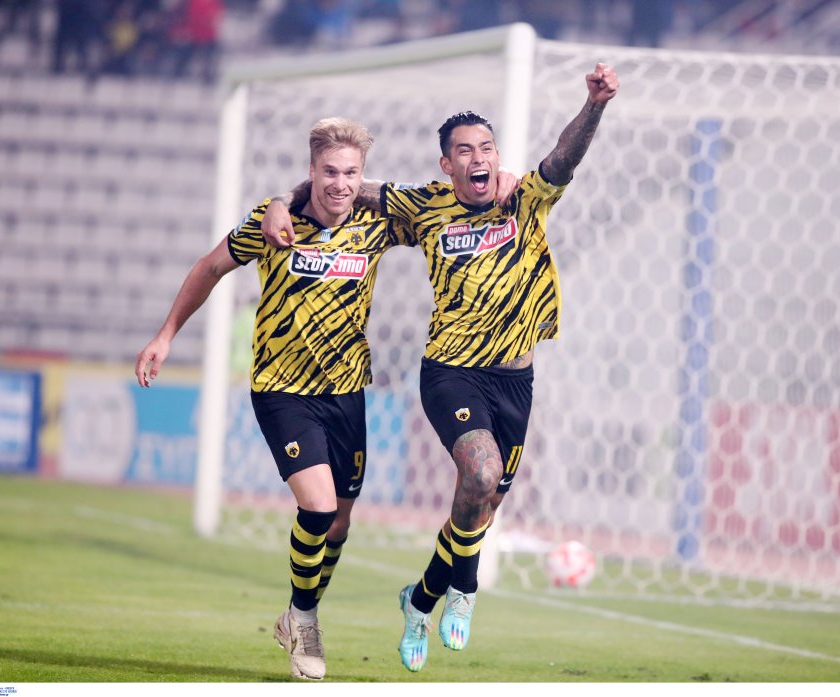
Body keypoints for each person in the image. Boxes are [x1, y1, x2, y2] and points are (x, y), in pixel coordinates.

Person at [260, 63, 620, 672]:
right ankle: (464, 591)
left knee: (481, 504)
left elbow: (565, 157)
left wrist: (596, 105)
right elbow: (342, 188)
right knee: (480, 472)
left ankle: (420, 600)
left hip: (515, 379)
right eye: (465, 151)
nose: (479, 158)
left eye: (487, 148)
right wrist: (279, 201)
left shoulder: (524, 199)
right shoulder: (424, 204)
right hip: (450, 369)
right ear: (446, 166)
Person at [134, 117, 407, 681]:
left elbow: (437, 209)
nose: (340, 183)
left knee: (339, 525)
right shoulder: (273, 222)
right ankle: (304, 619)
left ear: (362, 174)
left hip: (347, 390)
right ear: (312, 171)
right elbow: (210, 266)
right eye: (329, 171)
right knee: (319, 508)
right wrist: (165, 335)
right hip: (283, 390)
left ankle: (297, 612)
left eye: (350, 172)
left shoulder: (376, 222)